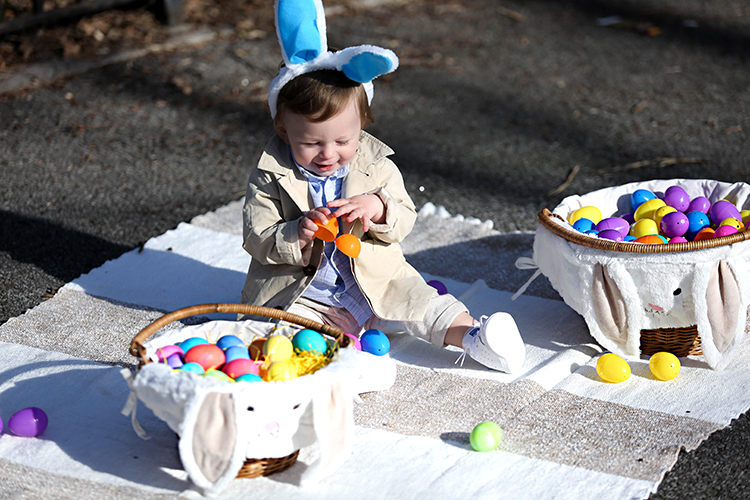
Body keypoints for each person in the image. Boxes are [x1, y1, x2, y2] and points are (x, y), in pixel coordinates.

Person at [240, 0, 525, 373]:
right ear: (283, 130)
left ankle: (477, 339)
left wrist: (378, 207)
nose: (328, 154)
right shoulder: (270, 175)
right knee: (288, 331)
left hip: (376, 281)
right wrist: (298, 232)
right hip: (307, 293)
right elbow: (256, 235)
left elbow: (405, 217)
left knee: (423, 303)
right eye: (312, 144)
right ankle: (337, 353)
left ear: (362, 126)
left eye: (343, 141)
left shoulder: (376, 167)